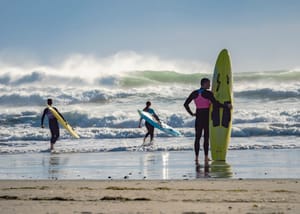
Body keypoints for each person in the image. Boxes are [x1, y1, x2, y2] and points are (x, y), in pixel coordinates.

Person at [184, 78, 231, 164]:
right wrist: (226, 106)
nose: (209, 86)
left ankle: (196, 158)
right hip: (206, 117)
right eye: (208, 84)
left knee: (197, 137)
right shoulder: (208, 93)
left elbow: (185, 104)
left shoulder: (194, 93)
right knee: (206, 137)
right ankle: (206, 157)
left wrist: (191, 113)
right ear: (204, 84)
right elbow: (216, 104)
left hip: (198, 116)